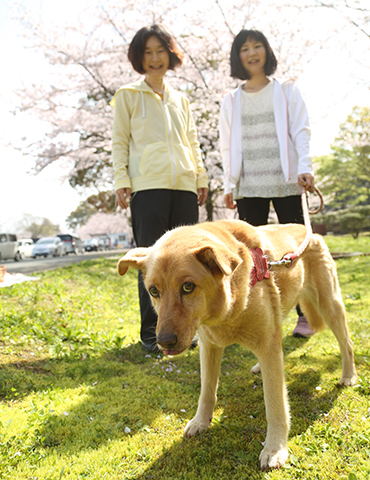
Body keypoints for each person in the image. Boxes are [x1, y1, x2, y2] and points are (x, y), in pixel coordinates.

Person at [111, 24, 209, 352]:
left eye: (160, 51)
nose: (155, 58)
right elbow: (119, 142)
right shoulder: (128, 96)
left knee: (186, 266)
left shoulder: (181, 99)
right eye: (148, 53)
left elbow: (191, 142)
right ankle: (152, 336)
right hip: (147, 187)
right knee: (151, 265)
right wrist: (122, 181)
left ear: (170, 55)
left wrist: (201, 177)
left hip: (183, 186)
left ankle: (187, 331)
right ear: (140, 58)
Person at [219, 29, 314, 338]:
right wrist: (228, 184)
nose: (252, 52)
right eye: (245, 48)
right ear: (238, 56)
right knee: (249, 255)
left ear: (267, 51)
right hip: (248, 185)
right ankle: (250, 313)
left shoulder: (286, 91)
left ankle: (306, 315)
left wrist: (305, 167)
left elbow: (302, 130)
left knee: (296, 249)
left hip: (286, 180)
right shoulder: (231, 100)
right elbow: (226, 146)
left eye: (257, 46)